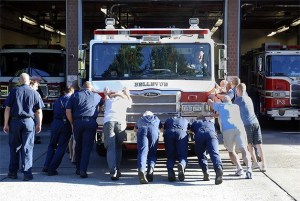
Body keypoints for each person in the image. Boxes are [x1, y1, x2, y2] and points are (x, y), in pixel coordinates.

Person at [3, 73, 44, 181]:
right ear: (28, 80)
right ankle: (27, 173)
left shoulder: (14, 91)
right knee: (27, 148)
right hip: (29, 122)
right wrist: (39, 124)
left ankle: (13, 172)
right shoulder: (34, 93)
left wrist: (6, 124)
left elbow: (7, 109)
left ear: (20, 80)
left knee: (14, 148)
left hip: (15, 122)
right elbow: (39, 111)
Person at [208, 95, 253, 179]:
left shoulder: (220, 105)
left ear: (222, 101)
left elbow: (210, 103)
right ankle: (249, 169)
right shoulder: (236, 106)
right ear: (230, 101)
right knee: (243, 149)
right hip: (239, 128)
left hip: (227, 130)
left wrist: (210, 97)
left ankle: (239, 168)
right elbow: (225, 113)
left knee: (231, 151)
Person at [66, 81, 103, 178]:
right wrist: (95, 91)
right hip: (90, 122)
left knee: (78, 145)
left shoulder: (75, 95)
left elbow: (68, 110)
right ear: (91, 88)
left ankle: (78, 168)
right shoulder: (96, 96)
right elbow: (103, 103)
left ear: (82, 87)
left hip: (77, 122)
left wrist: (72, 123)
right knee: (87, 147)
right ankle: (83, 170)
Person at [234, 83, 267, 172]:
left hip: (246, 124)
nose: (236, 92)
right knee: (259, 144)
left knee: (249, 145)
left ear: (239, 90)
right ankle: (264, 164)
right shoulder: (249, 99)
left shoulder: (238, 100)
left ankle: (255, 162)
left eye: (236, 91)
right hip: (255, 122)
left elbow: (232, 109)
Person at [42, 87, 74, 176]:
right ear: (72, 91)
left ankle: (46, 165)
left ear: (64, 92)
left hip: (55, 123)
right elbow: (70, 113)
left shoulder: (58, 100)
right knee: (61, 147)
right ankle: (52, 169)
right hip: (65, 125)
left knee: (52, 145)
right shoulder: (71, 100)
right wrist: (72, 124)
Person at [103, 86, 132, 180]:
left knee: (111, 148)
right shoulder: (123, 101)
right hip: (120, 123)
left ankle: (113, 172)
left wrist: (106, 93)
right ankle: (118, 169)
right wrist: (127, 93)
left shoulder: (109, 101)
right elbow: (130, 102)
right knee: (119, 146)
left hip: (108, 123)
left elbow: (106, 96)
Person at [190, 118, 223, 185]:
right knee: (214, 153)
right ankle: (218, 168)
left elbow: (190, 131)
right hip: (211, 135)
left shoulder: (195, 122)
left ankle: (206, 172)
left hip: (200, 135)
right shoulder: (211, 123)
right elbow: (216, 130)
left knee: (201, 154)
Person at [135, 111, 161, 184]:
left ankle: (142, 170)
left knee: (142, 152)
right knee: (152, 152)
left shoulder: (140, 119)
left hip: (142, 131)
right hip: (154, 131)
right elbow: (161, 128)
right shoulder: (156, 118)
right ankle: (150, 171)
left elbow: (135, 129)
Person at [163, 116, 189, 182]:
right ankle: (182, 165)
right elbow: (189, 129)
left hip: (169, 133)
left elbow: (164, 129)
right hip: (181, 133)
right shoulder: (185, 120)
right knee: (182, 155)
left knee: (170, 156)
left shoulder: (168, 119)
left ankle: (170, 172)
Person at [29, 76, 44, 144]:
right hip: (32, 113)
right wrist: (39, 124)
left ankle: (33, 137)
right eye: (38, 82)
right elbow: (39, 111)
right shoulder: (35, 92)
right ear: (34, 81)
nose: (39, 84)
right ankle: (33, 138)